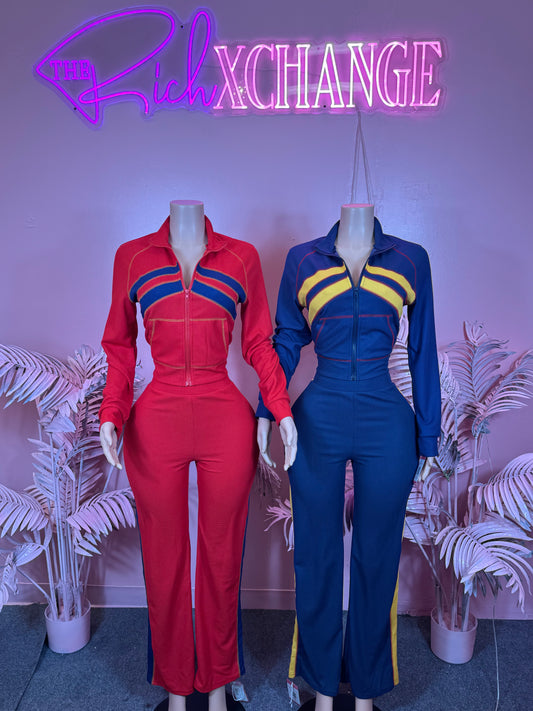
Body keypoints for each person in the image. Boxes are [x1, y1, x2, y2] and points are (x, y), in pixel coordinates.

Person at [99, 200, 297, 711]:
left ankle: (215, 687)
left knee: (221, 559)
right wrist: (112, 413)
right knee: (163, 561)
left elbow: (258, 342)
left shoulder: (241, 257)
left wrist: (280, 409)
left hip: (223, 415)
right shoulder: (133, 257)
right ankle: (176, 690)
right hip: (157, 417)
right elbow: (120, 347)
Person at [257, 204, 440, 711]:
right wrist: (268, 410)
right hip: (318, 418)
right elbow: (286, 340)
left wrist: (429, 435)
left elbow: (422, 348)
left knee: (376, 560)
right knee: (316, 557)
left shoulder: (411, 259)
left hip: (388, 421)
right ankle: (320, 690)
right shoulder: (303, 259)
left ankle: (364, 692)